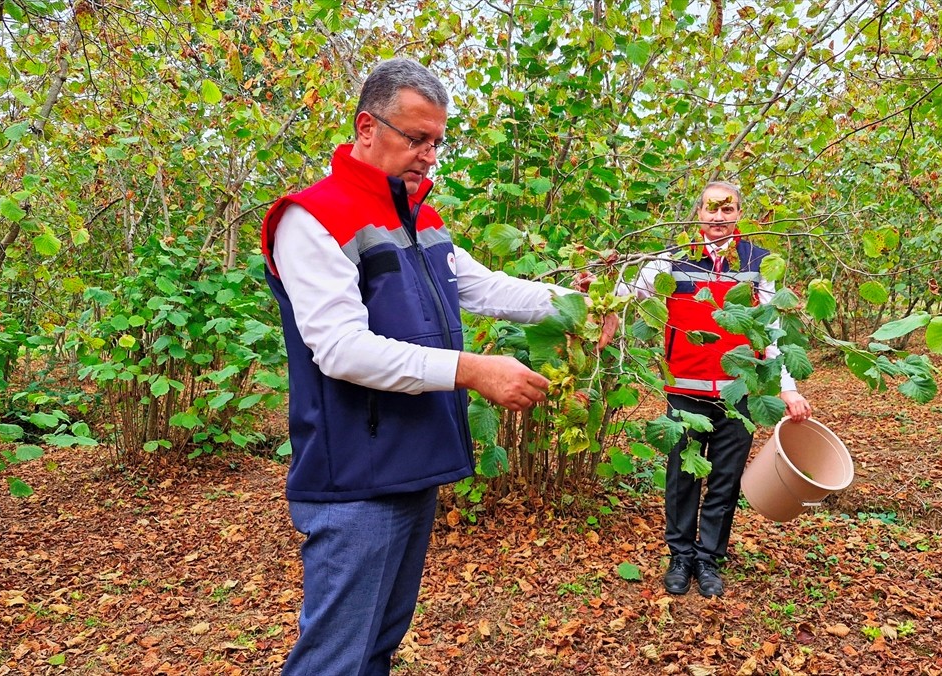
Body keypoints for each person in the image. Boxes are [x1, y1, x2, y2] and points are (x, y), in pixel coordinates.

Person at [260, 58, 614, 675]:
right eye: (417, 138)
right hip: (355, 477)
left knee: (378, 644)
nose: (429, 156)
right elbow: (340, 348)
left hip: (413, 460)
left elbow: (481, 286)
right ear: (367, 127)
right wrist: (471, 369)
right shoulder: (312, 217)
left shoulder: (419, 215)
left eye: (437, 142)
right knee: (335, 659)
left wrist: (581, 305)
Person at [617, 181, 811, 598]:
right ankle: (680, 556)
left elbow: (772, 329)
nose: (719, 217)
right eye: (711, 209)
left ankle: (708, 559)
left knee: (725, 479)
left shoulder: (759, 262)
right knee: (683, 477)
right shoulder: (672, 259)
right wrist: (593, 289)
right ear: (699, 213)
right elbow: (626, 295)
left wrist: (787, 388)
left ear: (739, 213)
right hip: (685, 391)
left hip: (740, 393)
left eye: (728, 209)